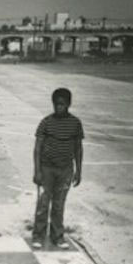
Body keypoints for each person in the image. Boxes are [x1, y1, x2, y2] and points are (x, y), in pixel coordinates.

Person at [32, 87, 84, 249]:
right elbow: (37, 148)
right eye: (56, 104)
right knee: (43, 203)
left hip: (65, 170)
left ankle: (57, 236)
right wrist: (37, 171)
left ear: (68, 104)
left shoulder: (75, 123)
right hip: (47, 169)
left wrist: (79, 171)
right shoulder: (46, 122)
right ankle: (38, 235)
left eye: (62, 104)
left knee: (59, 204)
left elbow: (78, 148)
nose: (58, 107)